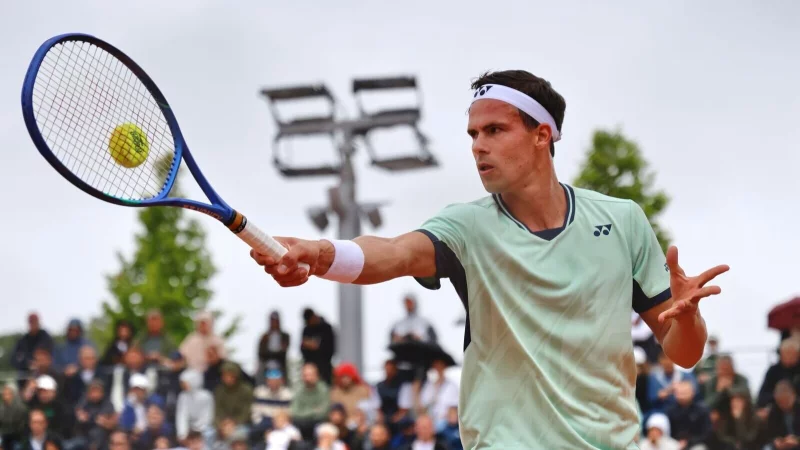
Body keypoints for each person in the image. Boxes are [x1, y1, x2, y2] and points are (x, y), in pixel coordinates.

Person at [249, 69, 730, 449]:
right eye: (474, 133)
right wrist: (320, 253)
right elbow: (393, 254)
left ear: (542, 135)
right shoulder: (466, 226)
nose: (479, 145)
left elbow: (683, 353)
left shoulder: (623, 220)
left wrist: (688, 317)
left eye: (495, 130)